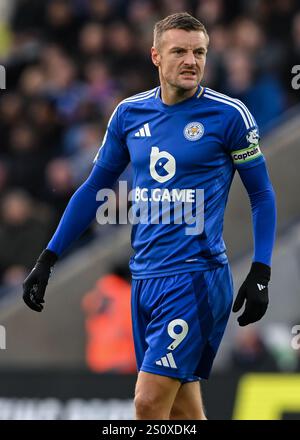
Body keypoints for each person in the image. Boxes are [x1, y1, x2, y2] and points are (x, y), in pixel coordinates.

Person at [23, 12, 276, 420]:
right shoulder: (128, 115)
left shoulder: (229, 116)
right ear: (156, 56)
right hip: (145, 280)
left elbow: (262, 194)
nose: (191, 61)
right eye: (180, 52)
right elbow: (93, 189)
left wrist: (261, 270)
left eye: (199, 52)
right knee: (182, 413)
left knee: (147, 403)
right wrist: (48, 258)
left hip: (194, 278)